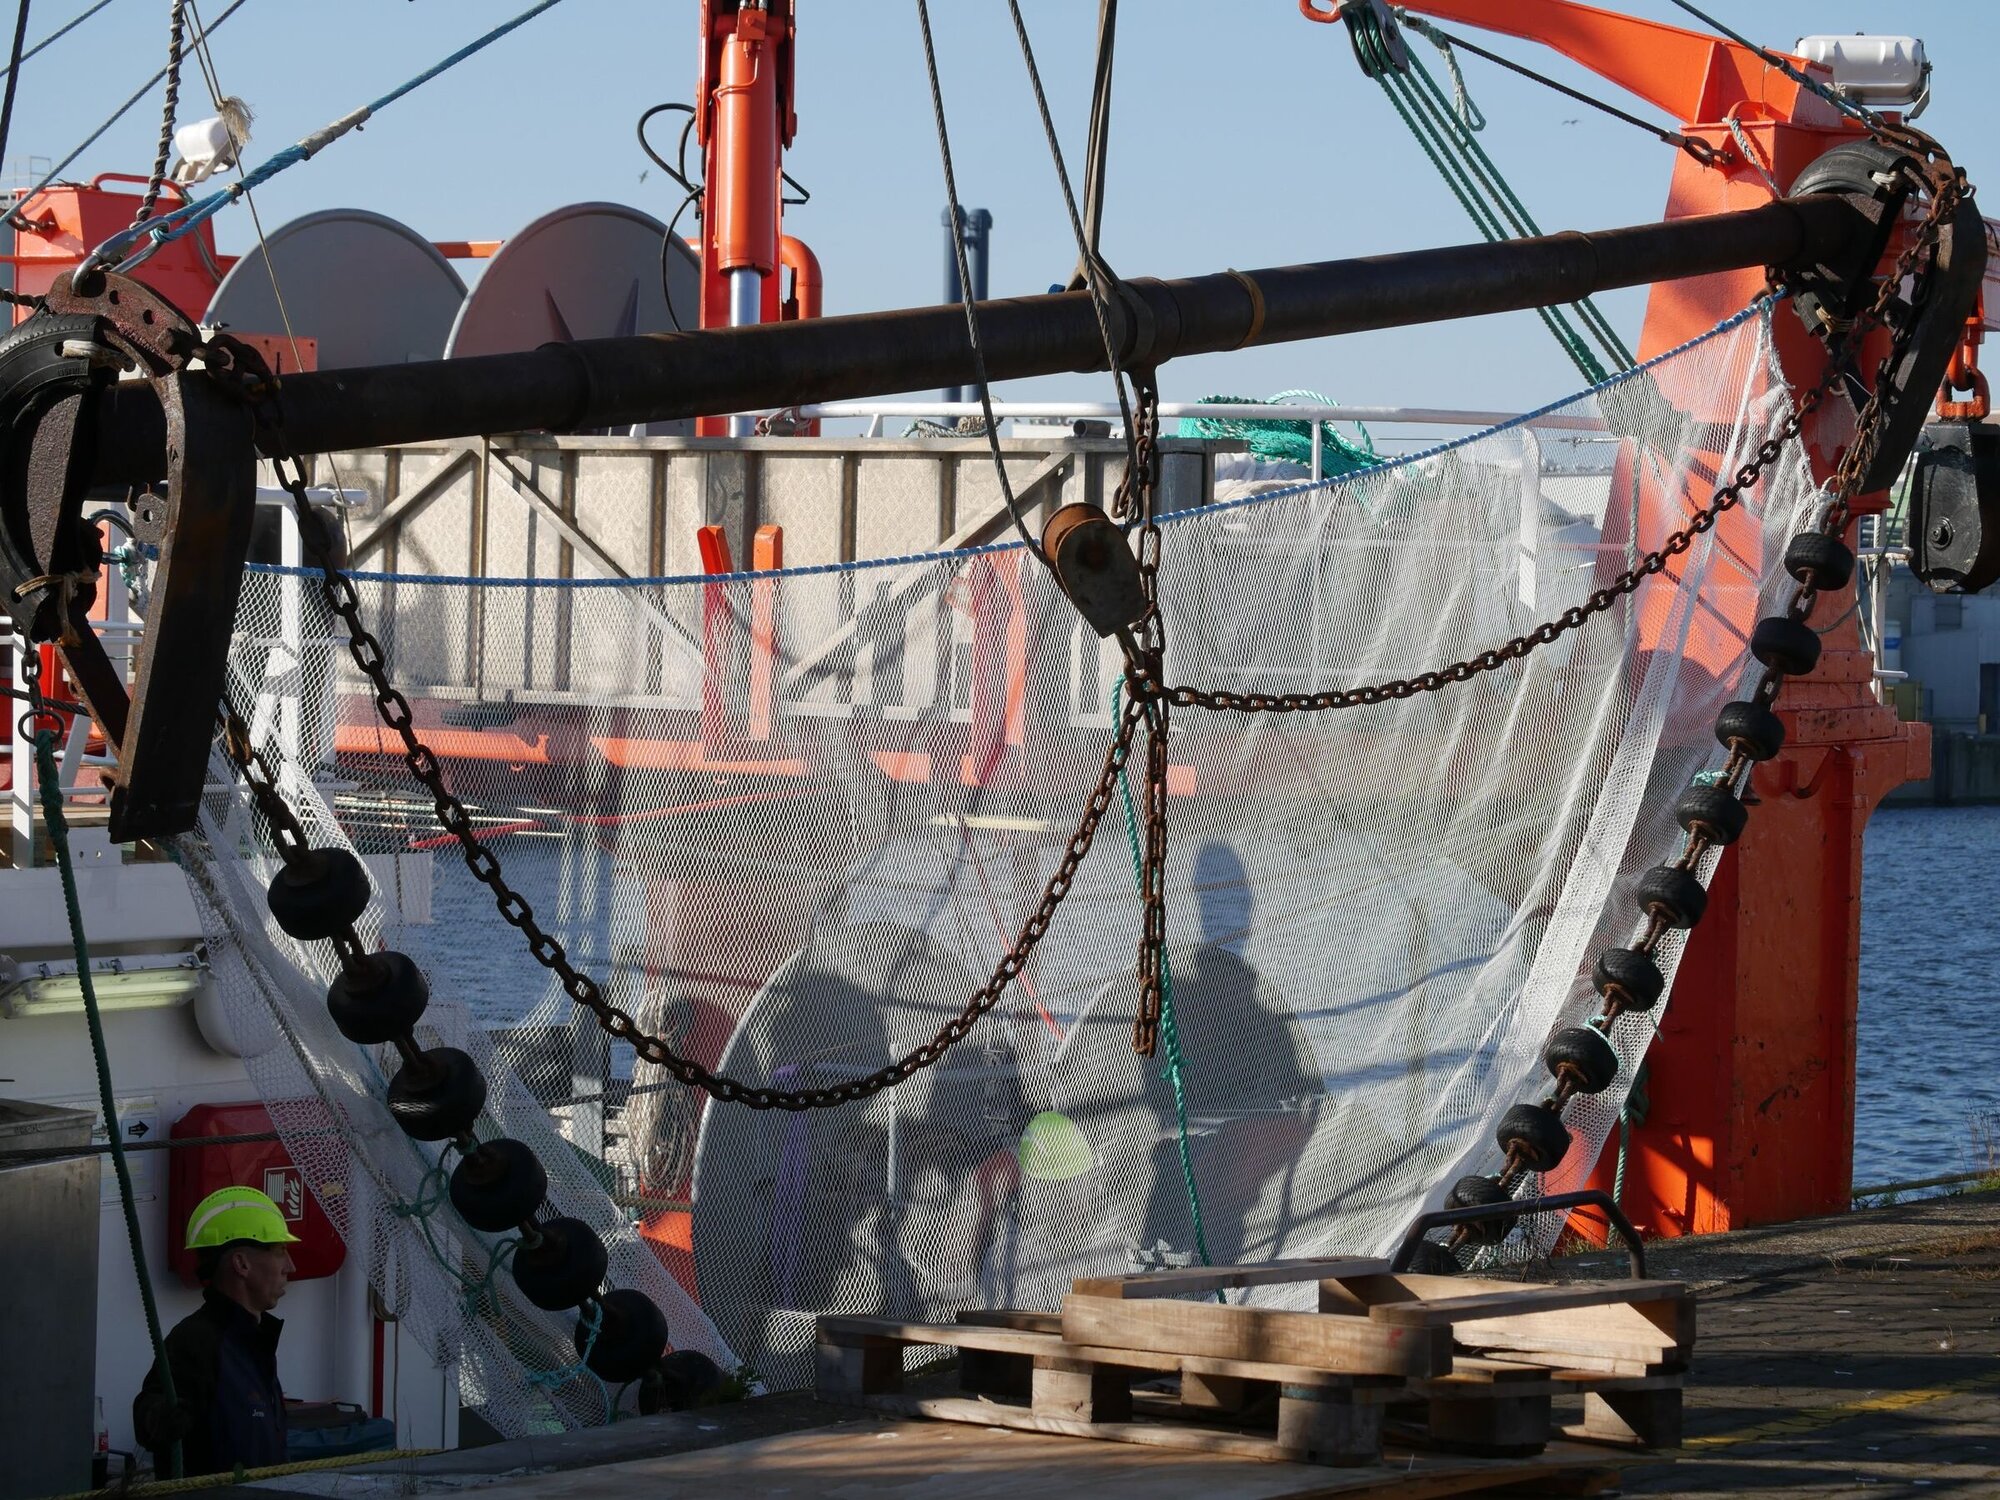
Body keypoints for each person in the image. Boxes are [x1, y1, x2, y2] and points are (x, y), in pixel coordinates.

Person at [133, 1185, 299, 1477]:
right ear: (241, 1264)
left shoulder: (253, 1343)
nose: (291, 1266)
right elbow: (149, 1415)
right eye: (280, 1251)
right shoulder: (196, 1342)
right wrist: (159, 1415)